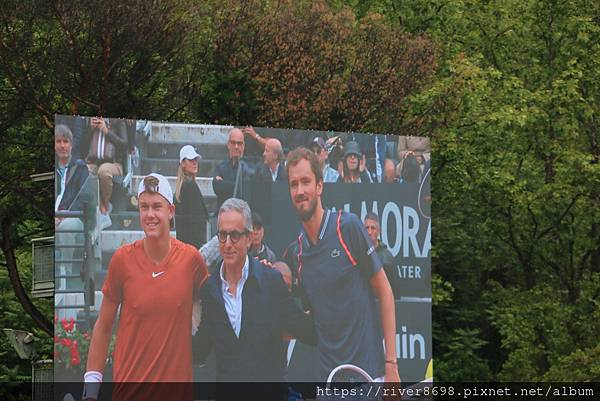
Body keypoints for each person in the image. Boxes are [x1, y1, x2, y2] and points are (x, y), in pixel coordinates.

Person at [83, 173, 208, 401]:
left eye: (157, 207)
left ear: (170, 211)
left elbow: (220, 301)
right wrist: (90, 391)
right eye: (144, 207)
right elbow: (103, 327)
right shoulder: (122, 260)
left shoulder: (192, 260)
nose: (150, 214)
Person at [285, 147, 400, 384]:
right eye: (293, 184)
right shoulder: (296, 253)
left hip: (368, 376)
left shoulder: (348, 227)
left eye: (305, 181)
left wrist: (391, 364)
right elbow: (314, 317)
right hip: (329, 382)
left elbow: (385, 291)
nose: (300, 191)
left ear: (319, 186)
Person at [194, 198, 315, 397]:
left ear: (249, 238)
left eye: (234, 235)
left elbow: (305, 329)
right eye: (222, 235)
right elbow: (200, 350)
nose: (227, 244)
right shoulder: (210, 289)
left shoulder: (271, 281)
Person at [55, 124, 89, 292]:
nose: (62, 145)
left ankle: (65, 274)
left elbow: (84, 196)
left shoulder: (80, 167)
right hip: (54, 215)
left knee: (66, 227)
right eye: (58, 141)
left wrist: (64, 215)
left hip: (74, 216)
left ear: (71, 144)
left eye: (65, 141)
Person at [80, 116, 128, 229]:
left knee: (104, 171)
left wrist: (107, 131)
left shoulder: (118, 121)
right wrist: (90, 130)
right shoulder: (89, 122)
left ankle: (104, 207)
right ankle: (93, 211)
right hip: (93, 162)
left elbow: (124, 144)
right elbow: (81, 148)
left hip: (115, 163)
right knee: (82, 171)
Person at [175, 145, 209, 249]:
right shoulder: (189, 186)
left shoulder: (182, 187)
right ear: (183, 163)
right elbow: (196, 222)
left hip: (186, 246)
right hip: (193, 247)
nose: (195, 163)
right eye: (191, 160)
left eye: (196, 160)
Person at [212, 128, 255, 209]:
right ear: (228, 144)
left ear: (243, 146)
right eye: (233, 143)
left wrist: (225, 183)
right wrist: (237, 184)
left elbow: (247, 191)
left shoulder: (250, 167)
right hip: (224, 213)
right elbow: (217, 188)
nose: (236, 147)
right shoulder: (220, 166)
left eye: (239, 143)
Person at [364, 213, 399, 299]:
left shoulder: (387, 258)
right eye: (366, 228)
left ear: (379, 231)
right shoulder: (357, 254)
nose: (369, 232)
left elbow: (395, 293)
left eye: (373, 228)